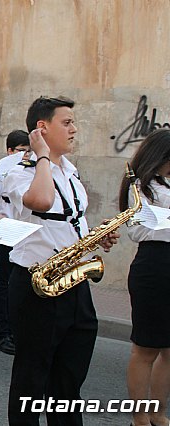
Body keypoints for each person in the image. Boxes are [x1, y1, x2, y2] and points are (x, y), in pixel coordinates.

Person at [4, 96, 119, 425]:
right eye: (66, 123)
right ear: (42, 128)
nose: (74, 129)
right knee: (31, 381)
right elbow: (40, 199)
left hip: (74, 282)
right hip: (36, 287)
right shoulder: (20, 170)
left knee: (68, 382)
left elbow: (67, 223)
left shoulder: (70, 172)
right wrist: (41, 155)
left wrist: (94, 239)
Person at [118, 129, 170, 426]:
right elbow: (137, 229)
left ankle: (159, 412)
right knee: (146, 347)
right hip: (154, 265)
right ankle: (140, 418)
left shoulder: (165, 186)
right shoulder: (140, 186)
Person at [0, 130, 30, 355]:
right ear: (10, 151)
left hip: (24, 233)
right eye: (20, 151)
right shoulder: (3, 169)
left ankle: (16, 330)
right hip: (7, 231)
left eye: (28, 151)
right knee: (4, 282)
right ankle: (2, 332)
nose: (25, 155)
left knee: (18, 282)